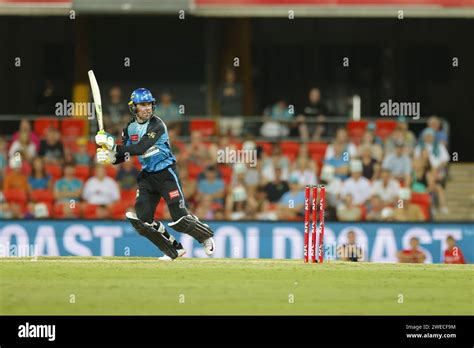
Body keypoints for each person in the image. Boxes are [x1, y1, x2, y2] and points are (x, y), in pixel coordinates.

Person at [95, 88, 215, 261]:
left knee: (179, 219)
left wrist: (113, 146)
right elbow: (126, 154)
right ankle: (174, 250)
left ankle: (204, 236)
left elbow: (140, 148)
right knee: (143, 221)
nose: (147, 108)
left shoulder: (157, 125)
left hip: (166, 174)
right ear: (133, 107)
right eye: (142, 105)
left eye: (149, 104)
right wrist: (111, 157)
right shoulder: (129, 128)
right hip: (148, 177)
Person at [218, 68, 243, 136]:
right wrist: (231, 93)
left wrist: (228, 94)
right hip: (224, 115)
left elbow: (239, 96)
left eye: (231, 75)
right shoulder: (222, 86)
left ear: (234, 76)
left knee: (236, 136)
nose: (230, 76)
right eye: (228, 75)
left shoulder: (238, 86)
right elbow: (220, 98)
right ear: (226, 76)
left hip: (236, 115)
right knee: (223, 136)